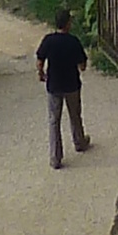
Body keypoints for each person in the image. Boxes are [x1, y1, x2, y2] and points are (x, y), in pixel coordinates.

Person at [36, 9, 90, 168]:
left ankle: (55, 157)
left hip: (54, 85)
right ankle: (79, 141)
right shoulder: (73, 41)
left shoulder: (48, 40)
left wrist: (41, 73)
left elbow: (40, 60)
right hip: (71, 84)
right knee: (75, 115)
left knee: (54, 120)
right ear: (68, 24)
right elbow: (82, 66)